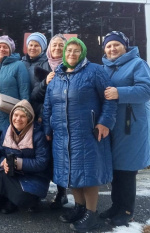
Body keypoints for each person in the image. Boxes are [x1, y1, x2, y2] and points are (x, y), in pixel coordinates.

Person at [43, 37, 117, 232]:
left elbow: (109, 99)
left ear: (82, 52)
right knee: (72, 173)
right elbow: (48, 105)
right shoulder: (57, 75)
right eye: (69, 51)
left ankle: (91, 215)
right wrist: (47, 129)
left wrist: (104, 122)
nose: (71, 54)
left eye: (76, 51)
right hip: (62, 134)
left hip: (88, 133)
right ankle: (79, 208)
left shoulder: (95, 71)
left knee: (88, 174)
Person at [100, 31, 150, 226]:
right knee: (116, 168)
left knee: (127, 169)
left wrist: (118, 92)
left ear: (125, 46)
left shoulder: (138, 64)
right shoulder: (105, 68)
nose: (112, 49)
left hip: (131, 126)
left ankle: (127, 210)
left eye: (116, 45)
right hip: (112, 126)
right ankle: (116, 206)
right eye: (109, 45)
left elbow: (146, 90)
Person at [0, 100, 50, 214]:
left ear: (29, 119)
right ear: (11, 115)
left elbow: (42, 162)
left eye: (23, 116)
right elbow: (1, 154)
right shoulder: (6, 131)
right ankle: (12, 201)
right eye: (15, 115)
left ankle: (32, 199)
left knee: (24, 197)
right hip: (14, 175)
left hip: (36, 176)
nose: (18, 119)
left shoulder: (38, 135)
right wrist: (4, 162)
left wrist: (17, 162)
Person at [35, 34, 68, 209]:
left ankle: (62, 194)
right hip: (43, 119)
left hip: (64, 121)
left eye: (61, 45)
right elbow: (34, 95)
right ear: (49, 48)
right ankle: (38, 193)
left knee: (61, 158)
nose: (57, 48)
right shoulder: (41, 67)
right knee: (43, 157)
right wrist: (44, 84)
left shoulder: (72, 66)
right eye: (54, 45)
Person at [21, 32, 50, 118]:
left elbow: (47, 93)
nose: (33, 48)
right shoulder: (21, 63)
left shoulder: (47, 64)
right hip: (22, 112)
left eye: (36, 45)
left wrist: (42, 114)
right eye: (31, 45)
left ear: (43, 48)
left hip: (38, 113)